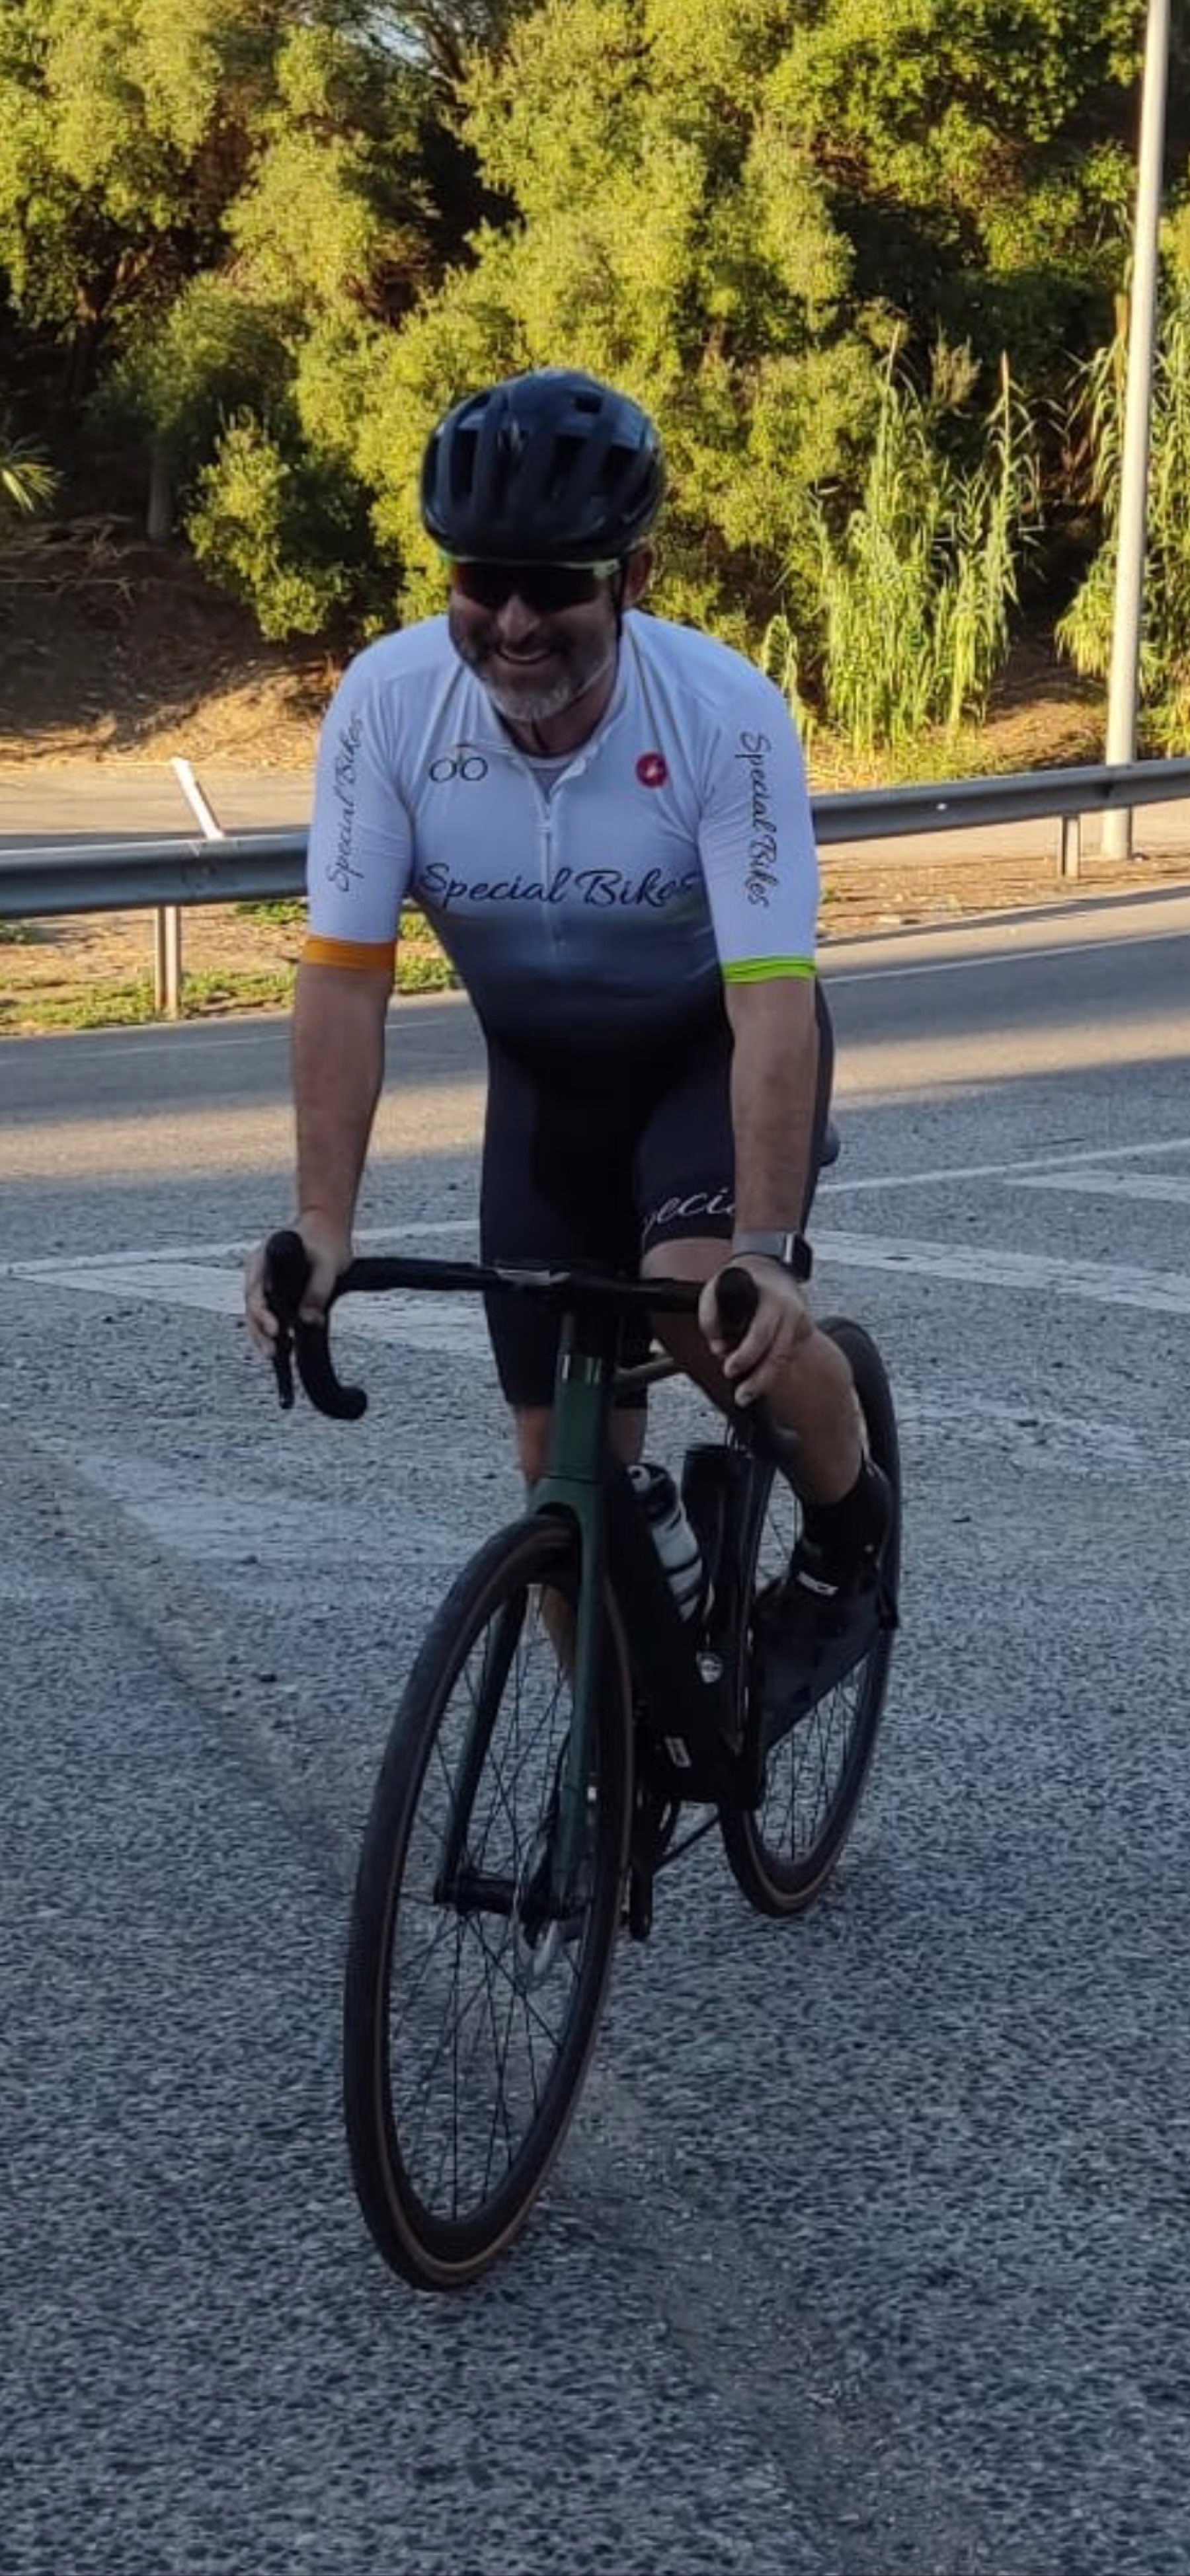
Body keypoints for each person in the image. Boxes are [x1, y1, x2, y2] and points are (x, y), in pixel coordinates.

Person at [245, 366, 891, 1692]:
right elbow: (345, 980)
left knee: (714, 1304)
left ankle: (848, 1535)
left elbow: (770, 997)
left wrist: (768, 1252)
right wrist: (321, 1221)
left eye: (557, 585)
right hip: (547, 1083)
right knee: (558, 1475)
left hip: (709, 1052)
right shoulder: (387, 705)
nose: (516, 621)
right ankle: (616, 1764)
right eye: (484, 580)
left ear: (634, 576)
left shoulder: (724, 717)